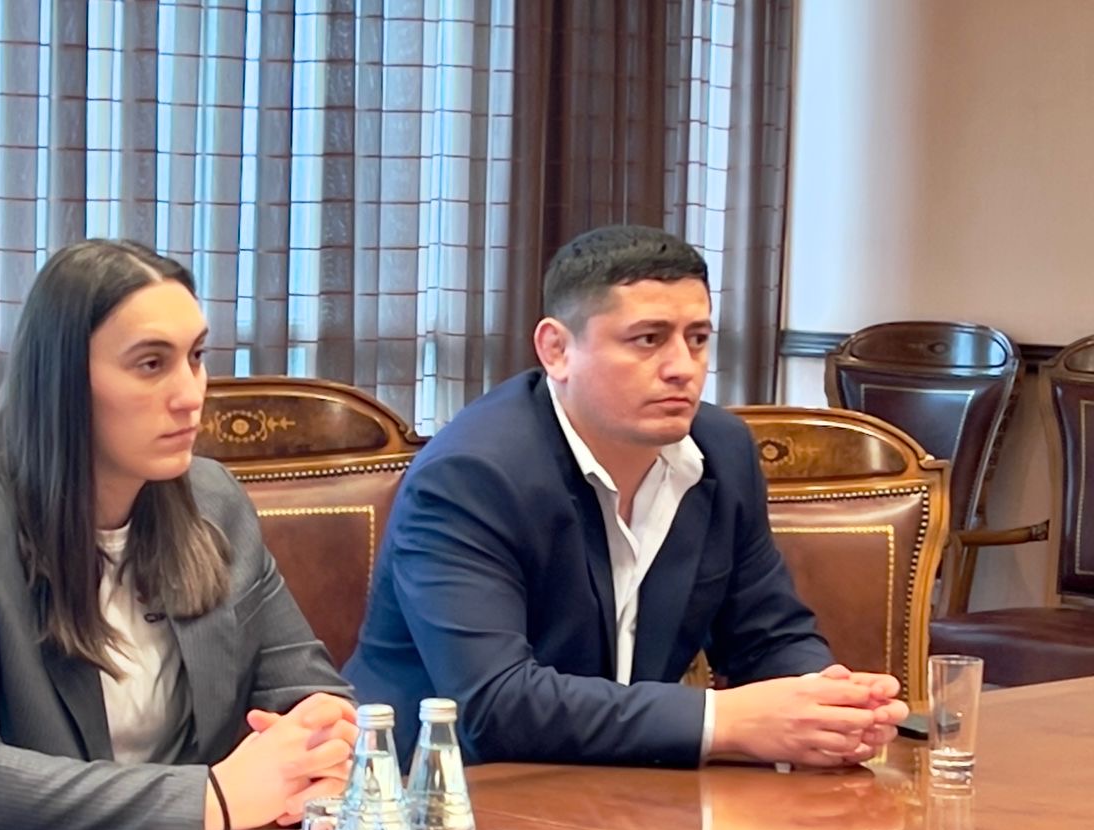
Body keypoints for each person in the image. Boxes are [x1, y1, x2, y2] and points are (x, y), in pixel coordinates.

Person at [0, 239, 357, 830]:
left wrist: (324, 744)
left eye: (195, 357)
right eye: (151, 364)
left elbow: (307, 694)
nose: (191, 394)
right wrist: (212, 797)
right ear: (63, 382)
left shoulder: (213, 502)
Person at [343, 224, 906, 768]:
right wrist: (725, 720)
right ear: (557, 349)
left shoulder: (722, 450)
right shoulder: (471, 475)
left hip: (625, 783)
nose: (682, 368)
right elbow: (495, 703)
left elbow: (768, 635)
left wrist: (827, 702)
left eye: (698, 339)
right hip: (438, 796)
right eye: (648, 340)